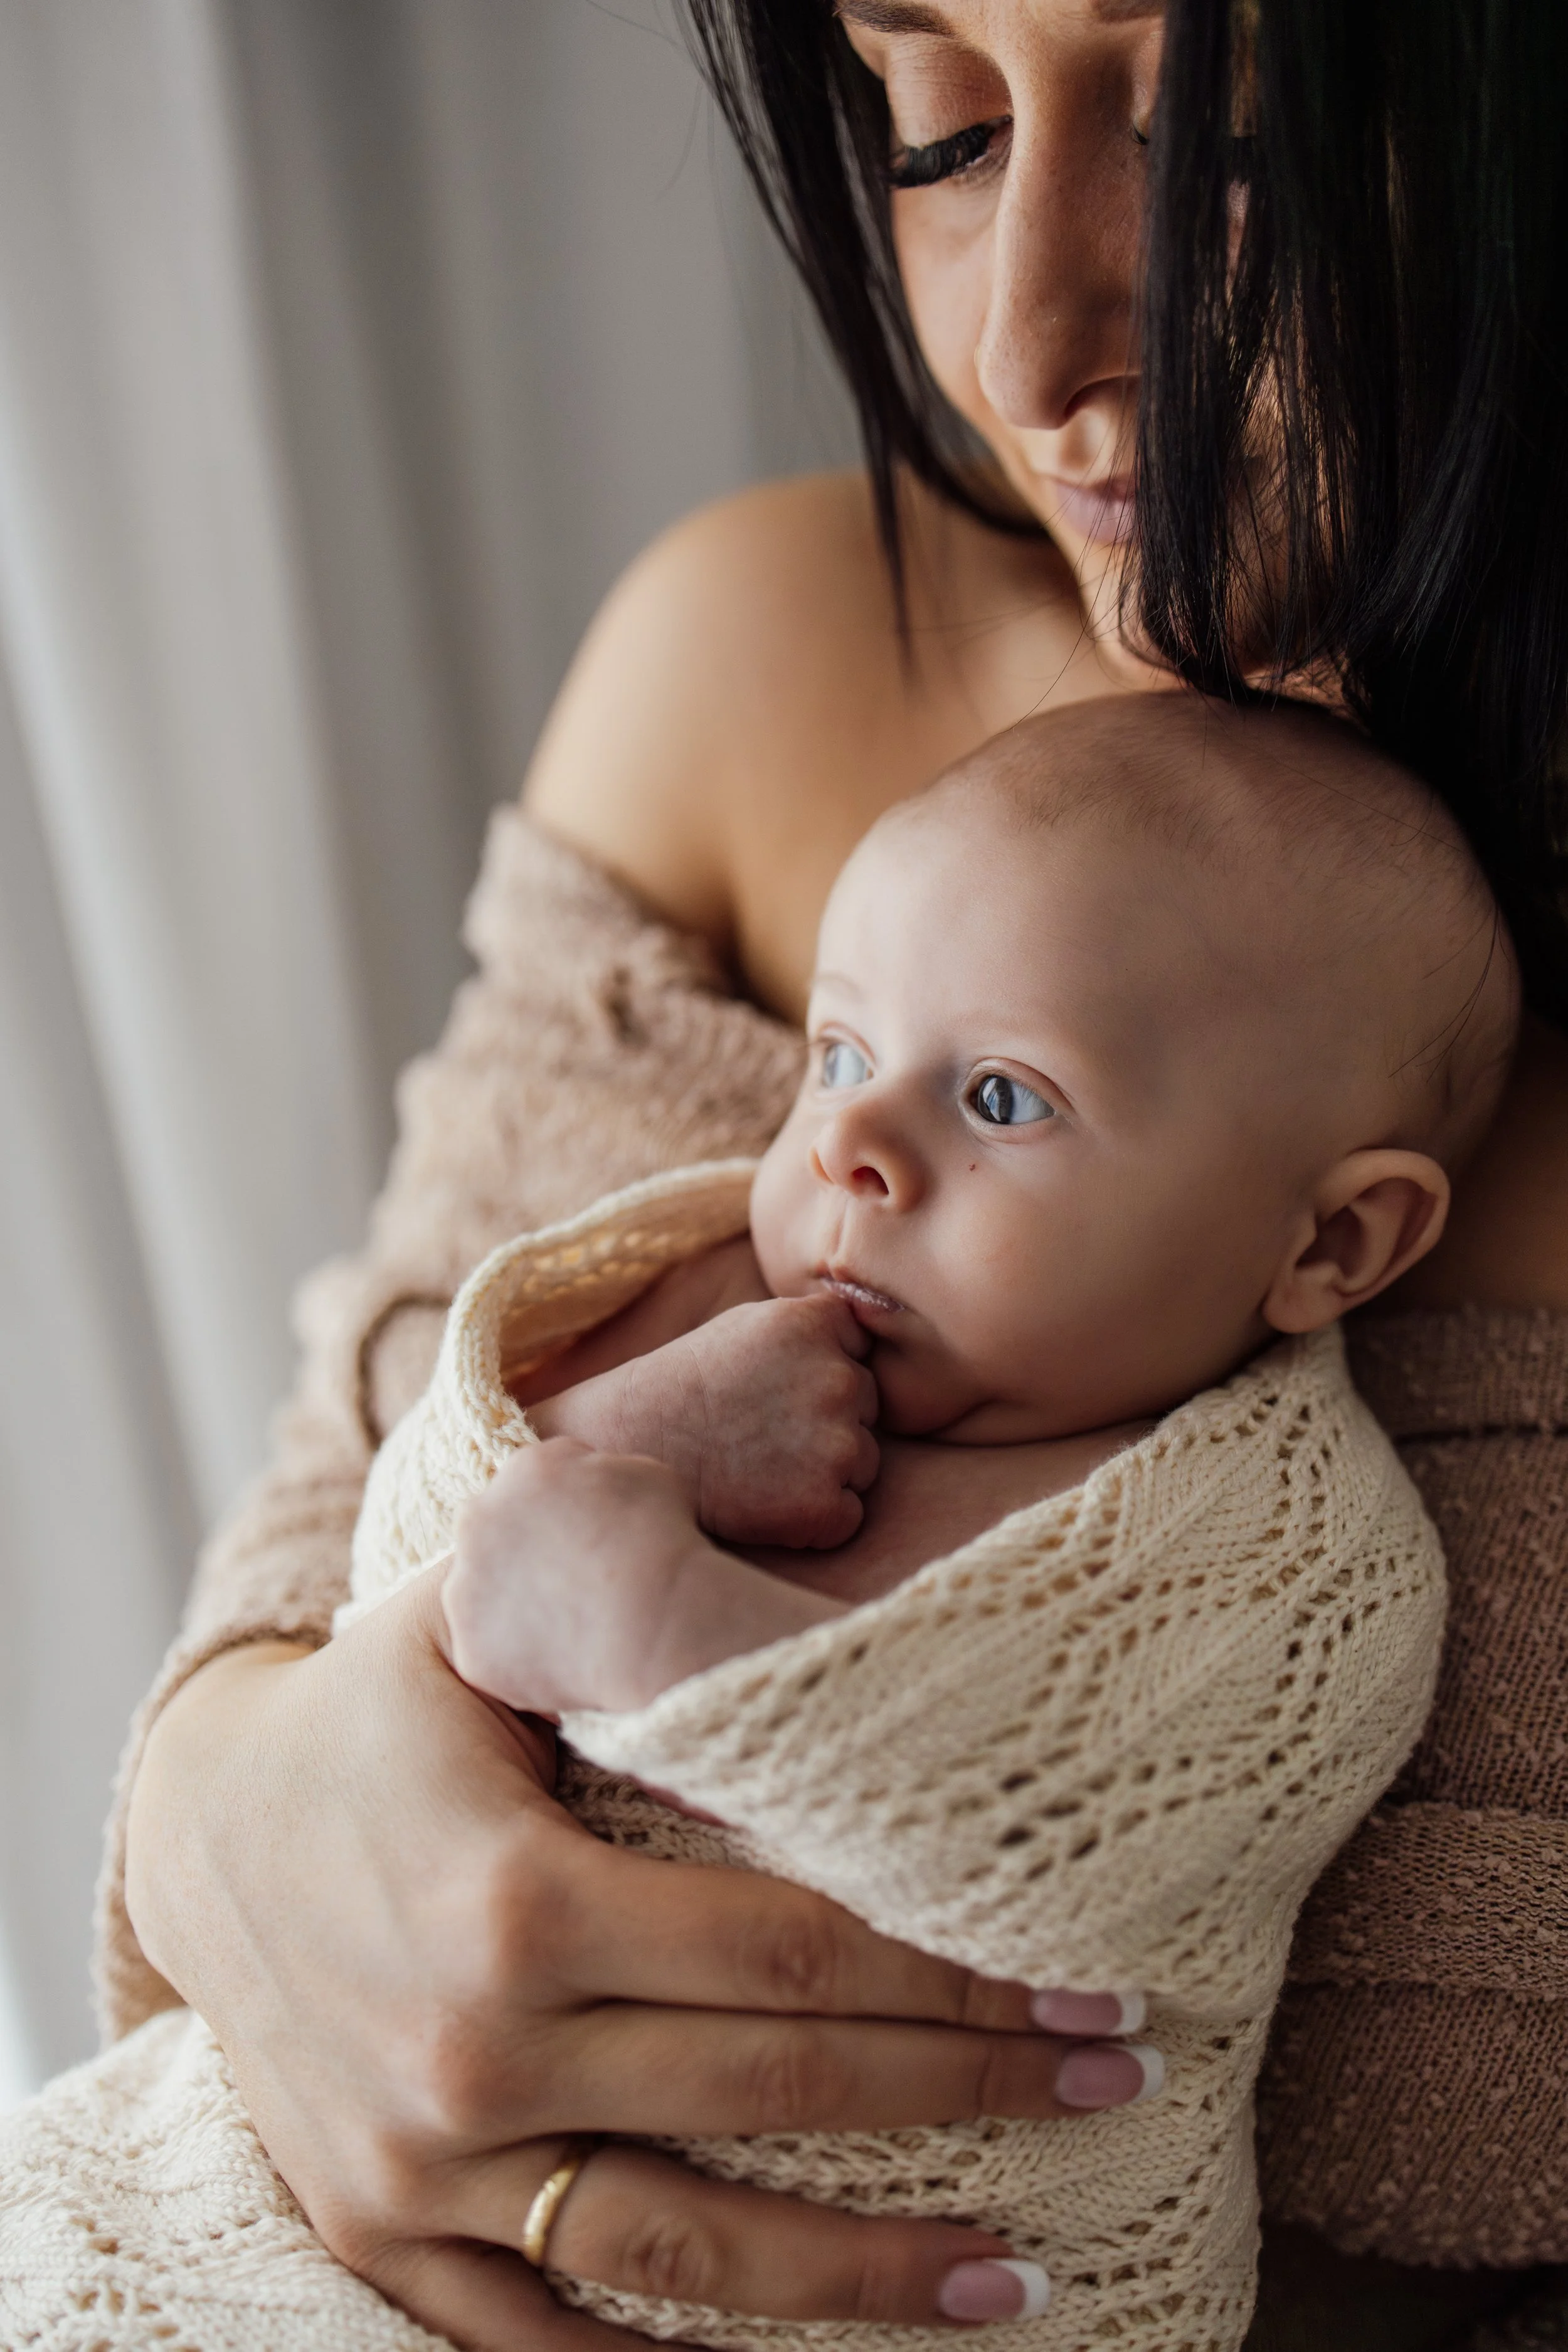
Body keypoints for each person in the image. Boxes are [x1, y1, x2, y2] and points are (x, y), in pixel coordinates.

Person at [108, 4, 1568, 2349]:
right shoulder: (770, 668)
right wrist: (233, 1825)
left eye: (1243, 142)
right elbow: (324, 1546)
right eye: (948, 125)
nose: (1029, 340)